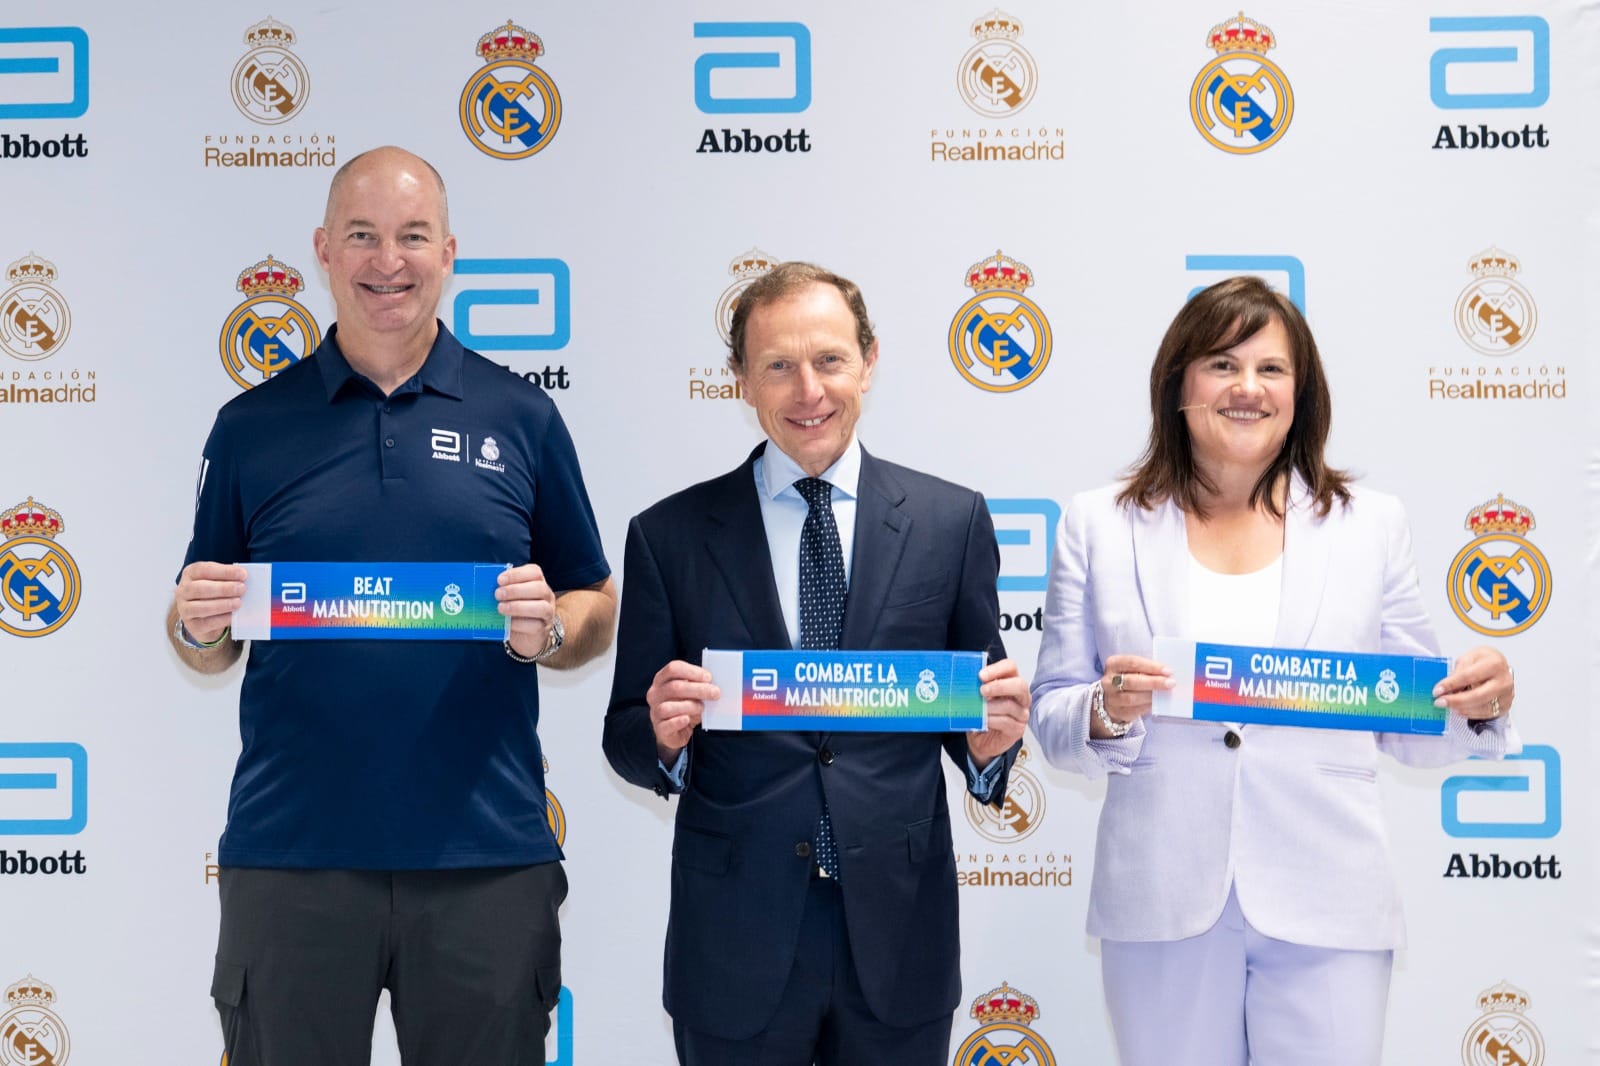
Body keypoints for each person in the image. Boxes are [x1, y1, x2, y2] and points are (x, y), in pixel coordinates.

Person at [168, 146, 617, 1066]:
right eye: (363, 236)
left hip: (486, 861)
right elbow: (205, 637)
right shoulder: (250, 427)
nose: (388, 261)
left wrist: (551, 630)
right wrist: (196, 626)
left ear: (448, 252)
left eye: (412, 236)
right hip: (292, 857)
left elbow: (594, 601)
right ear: (323, 250)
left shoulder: (521, 416)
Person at [1029, 275, 1520, 1066]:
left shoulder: (1370, 526)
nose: (1247, 388)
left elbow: (1413, 717)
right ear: (1178, 385)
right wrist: (1105, 708)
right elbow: (1053, 712)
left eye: (1271, 369)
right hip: (1161, 897)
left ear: (1302, 392)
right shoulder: (1098, 523)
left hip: (1329, 894)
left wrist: (1478, 701)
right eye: (1222, 365)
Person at [603, 261, 1031, 1065]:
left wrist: (986, 750)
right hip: (735, 938)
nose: (808, 391)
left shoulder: (950, 522)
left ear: (869, 361)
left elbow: (972, 718)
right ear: (740, 380)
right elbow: (625, 733)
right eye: (778, 366)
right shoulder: (669, 536)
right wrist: (660, 736)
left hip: (899, 937)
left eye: (830, 359)